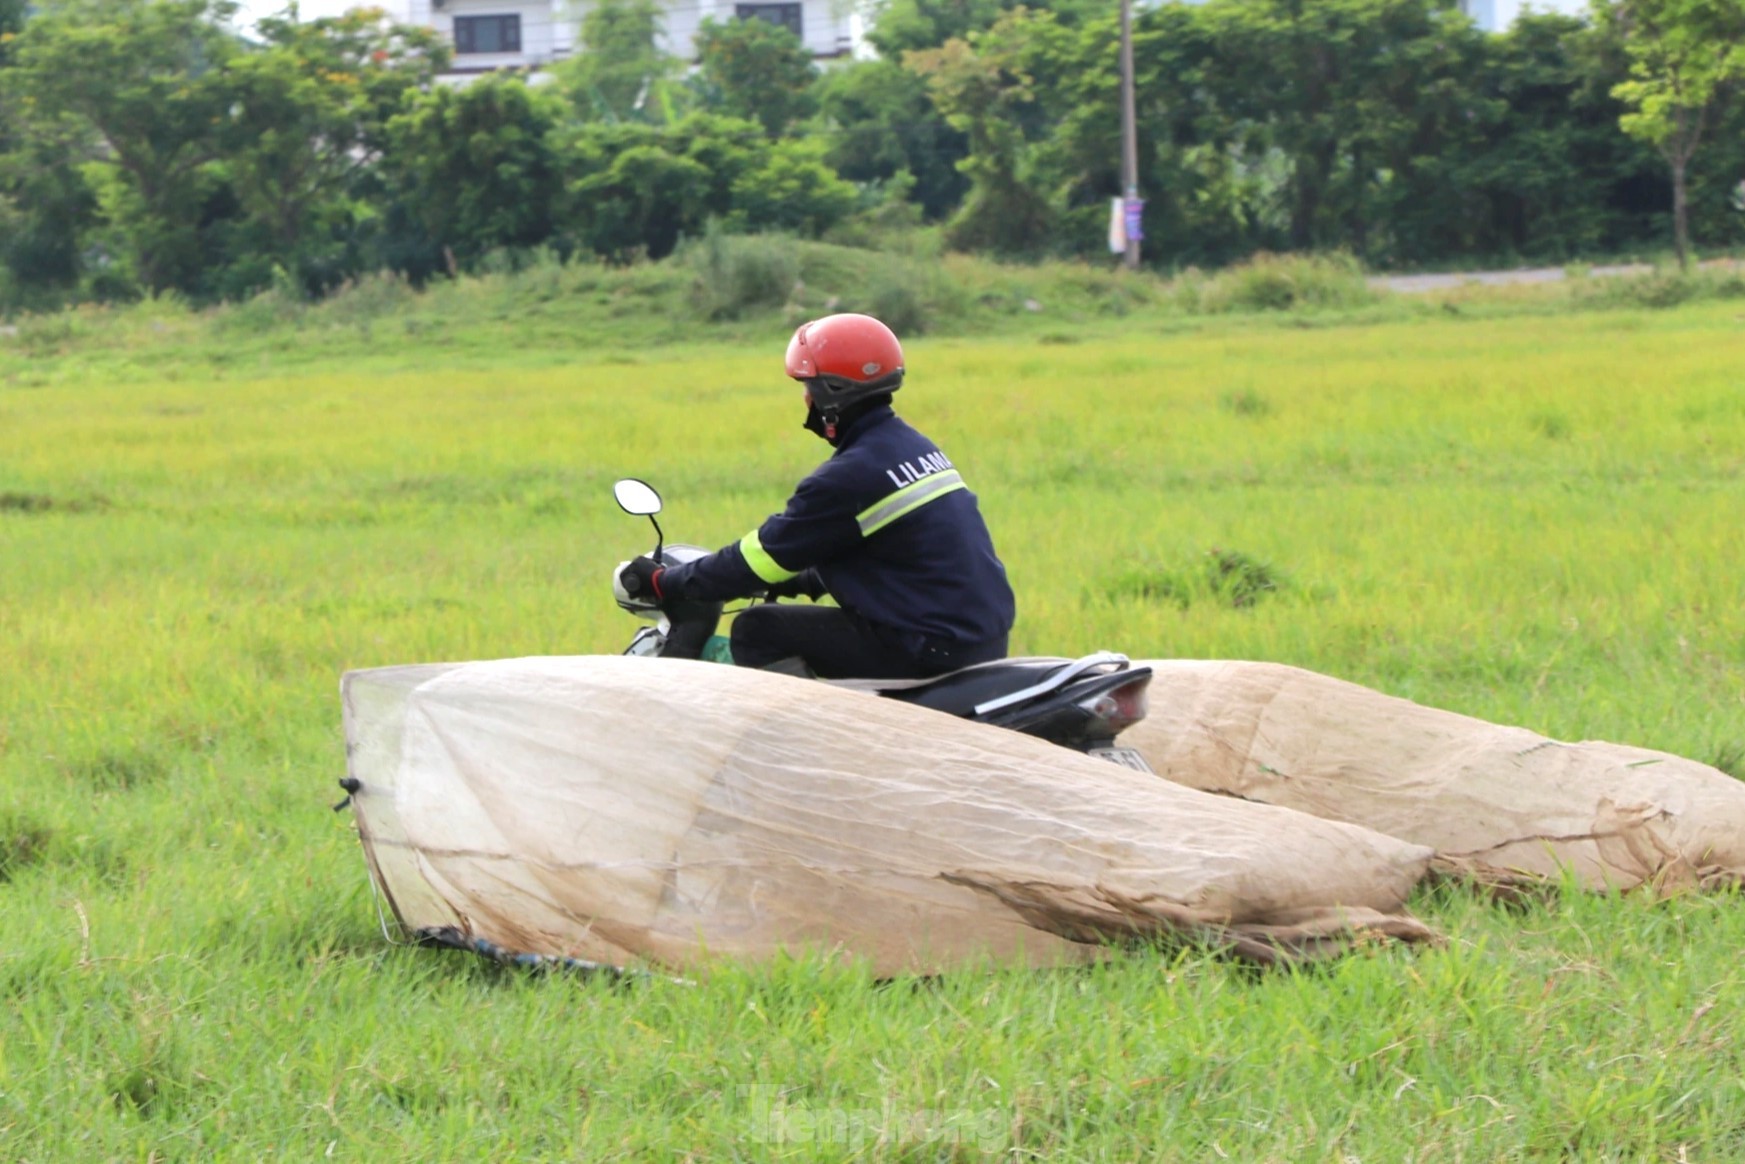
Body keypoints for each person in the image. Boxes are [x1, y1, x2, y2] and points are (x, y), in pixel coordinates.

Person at [618, 312, 1014, 680]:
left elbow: (759, 559)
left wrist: (665, 582)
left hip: (927, 647)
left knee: (759, 627)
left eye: (808, 387)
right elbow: (889, 554)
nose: (806, 399)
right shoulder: (914, 448)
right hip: (977, 639)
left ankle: (797, 743)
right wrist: (804, 578)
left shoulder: (847, 477)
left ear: (830, 395)